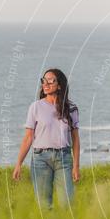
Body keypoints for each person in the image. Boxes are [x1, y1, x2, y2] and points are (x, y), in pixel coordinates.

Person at [12, 68, 80, 208]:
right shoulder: (35, 107)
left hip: (64, 159)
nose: (46, 84)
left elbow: (76, 139)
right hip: (40, 159)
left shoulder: (71, 108)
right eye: (44, 80)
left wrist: (76, 166)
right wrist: (18, 163)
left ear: (60, 85)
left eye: (50, 80)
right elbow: (28, 137)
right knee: (44, 207)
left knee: (68, 205)